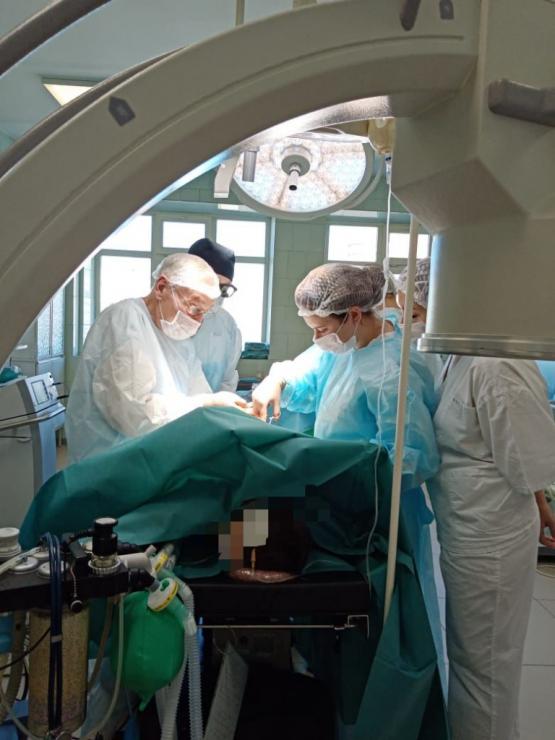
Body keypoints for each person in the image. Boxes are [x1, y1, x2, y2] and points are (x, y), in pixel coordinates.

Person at [251, 263, 445, 673]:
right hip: (336, 504)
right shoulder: (345, 347)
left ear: (354, 314)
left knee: (382, 620)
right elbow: (306, 378)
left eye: (321, 329)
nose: (316, 338)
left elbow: (410, 458)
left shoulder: (391, 372)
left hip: (379, 514)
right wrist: (277, 381)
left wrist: (337, 468)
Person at [412, 299, 555, 736]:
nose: (409, 317)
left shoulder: (498, 365)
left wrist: (539, 502)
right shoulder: (462, 353)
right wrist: (541, 505)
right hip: (468, 527)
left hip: (493, 538)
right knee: (473, 659)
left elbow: (528, 462)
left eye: (415, 309)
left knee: (486, 668)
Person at [65, 253, 247, 462]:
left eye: (204, 313)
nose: (198, 322)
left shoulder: (179, 340)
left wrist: (226, 411)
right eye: (194, 308)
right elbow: (134, 415)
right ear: (161, 288)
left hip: (155, 458)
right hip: (114, 463)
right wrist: (208, 403)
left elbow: (198, 392)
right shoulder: (125, 320)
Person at [188, 238, 243, 392]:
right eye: (213, 284)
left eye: (224, 289)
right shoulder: (163, 318)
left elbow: (227, 381)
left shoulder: (227, 326)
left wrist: (218, 405)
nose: (216, 295)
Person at [396, 257, 444, 379]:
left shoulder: (480, 367)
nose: (402, 323)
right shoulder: (439, 360)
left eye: (413, 315)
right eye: (401, 313)